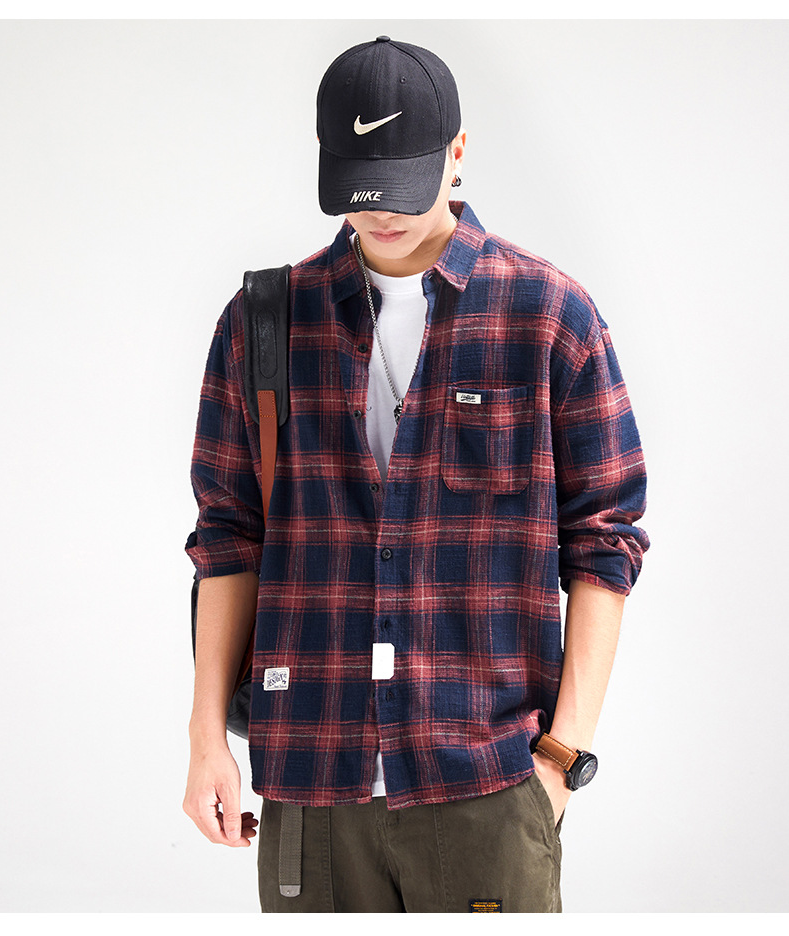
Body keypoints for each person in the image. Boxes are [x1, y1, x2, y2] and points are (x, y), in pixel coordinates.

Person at [183, 36, 649, 913]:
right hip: (310, 785)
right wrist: (206, 735)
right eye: (361, 190)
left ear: (457, 152)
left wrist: (560, 760)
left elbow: (606, 541)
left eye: (403, 183)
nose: (384, 214)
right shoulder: (261, 322)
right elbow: (228, 540)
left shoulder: (549, 317)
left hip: (487, 783)